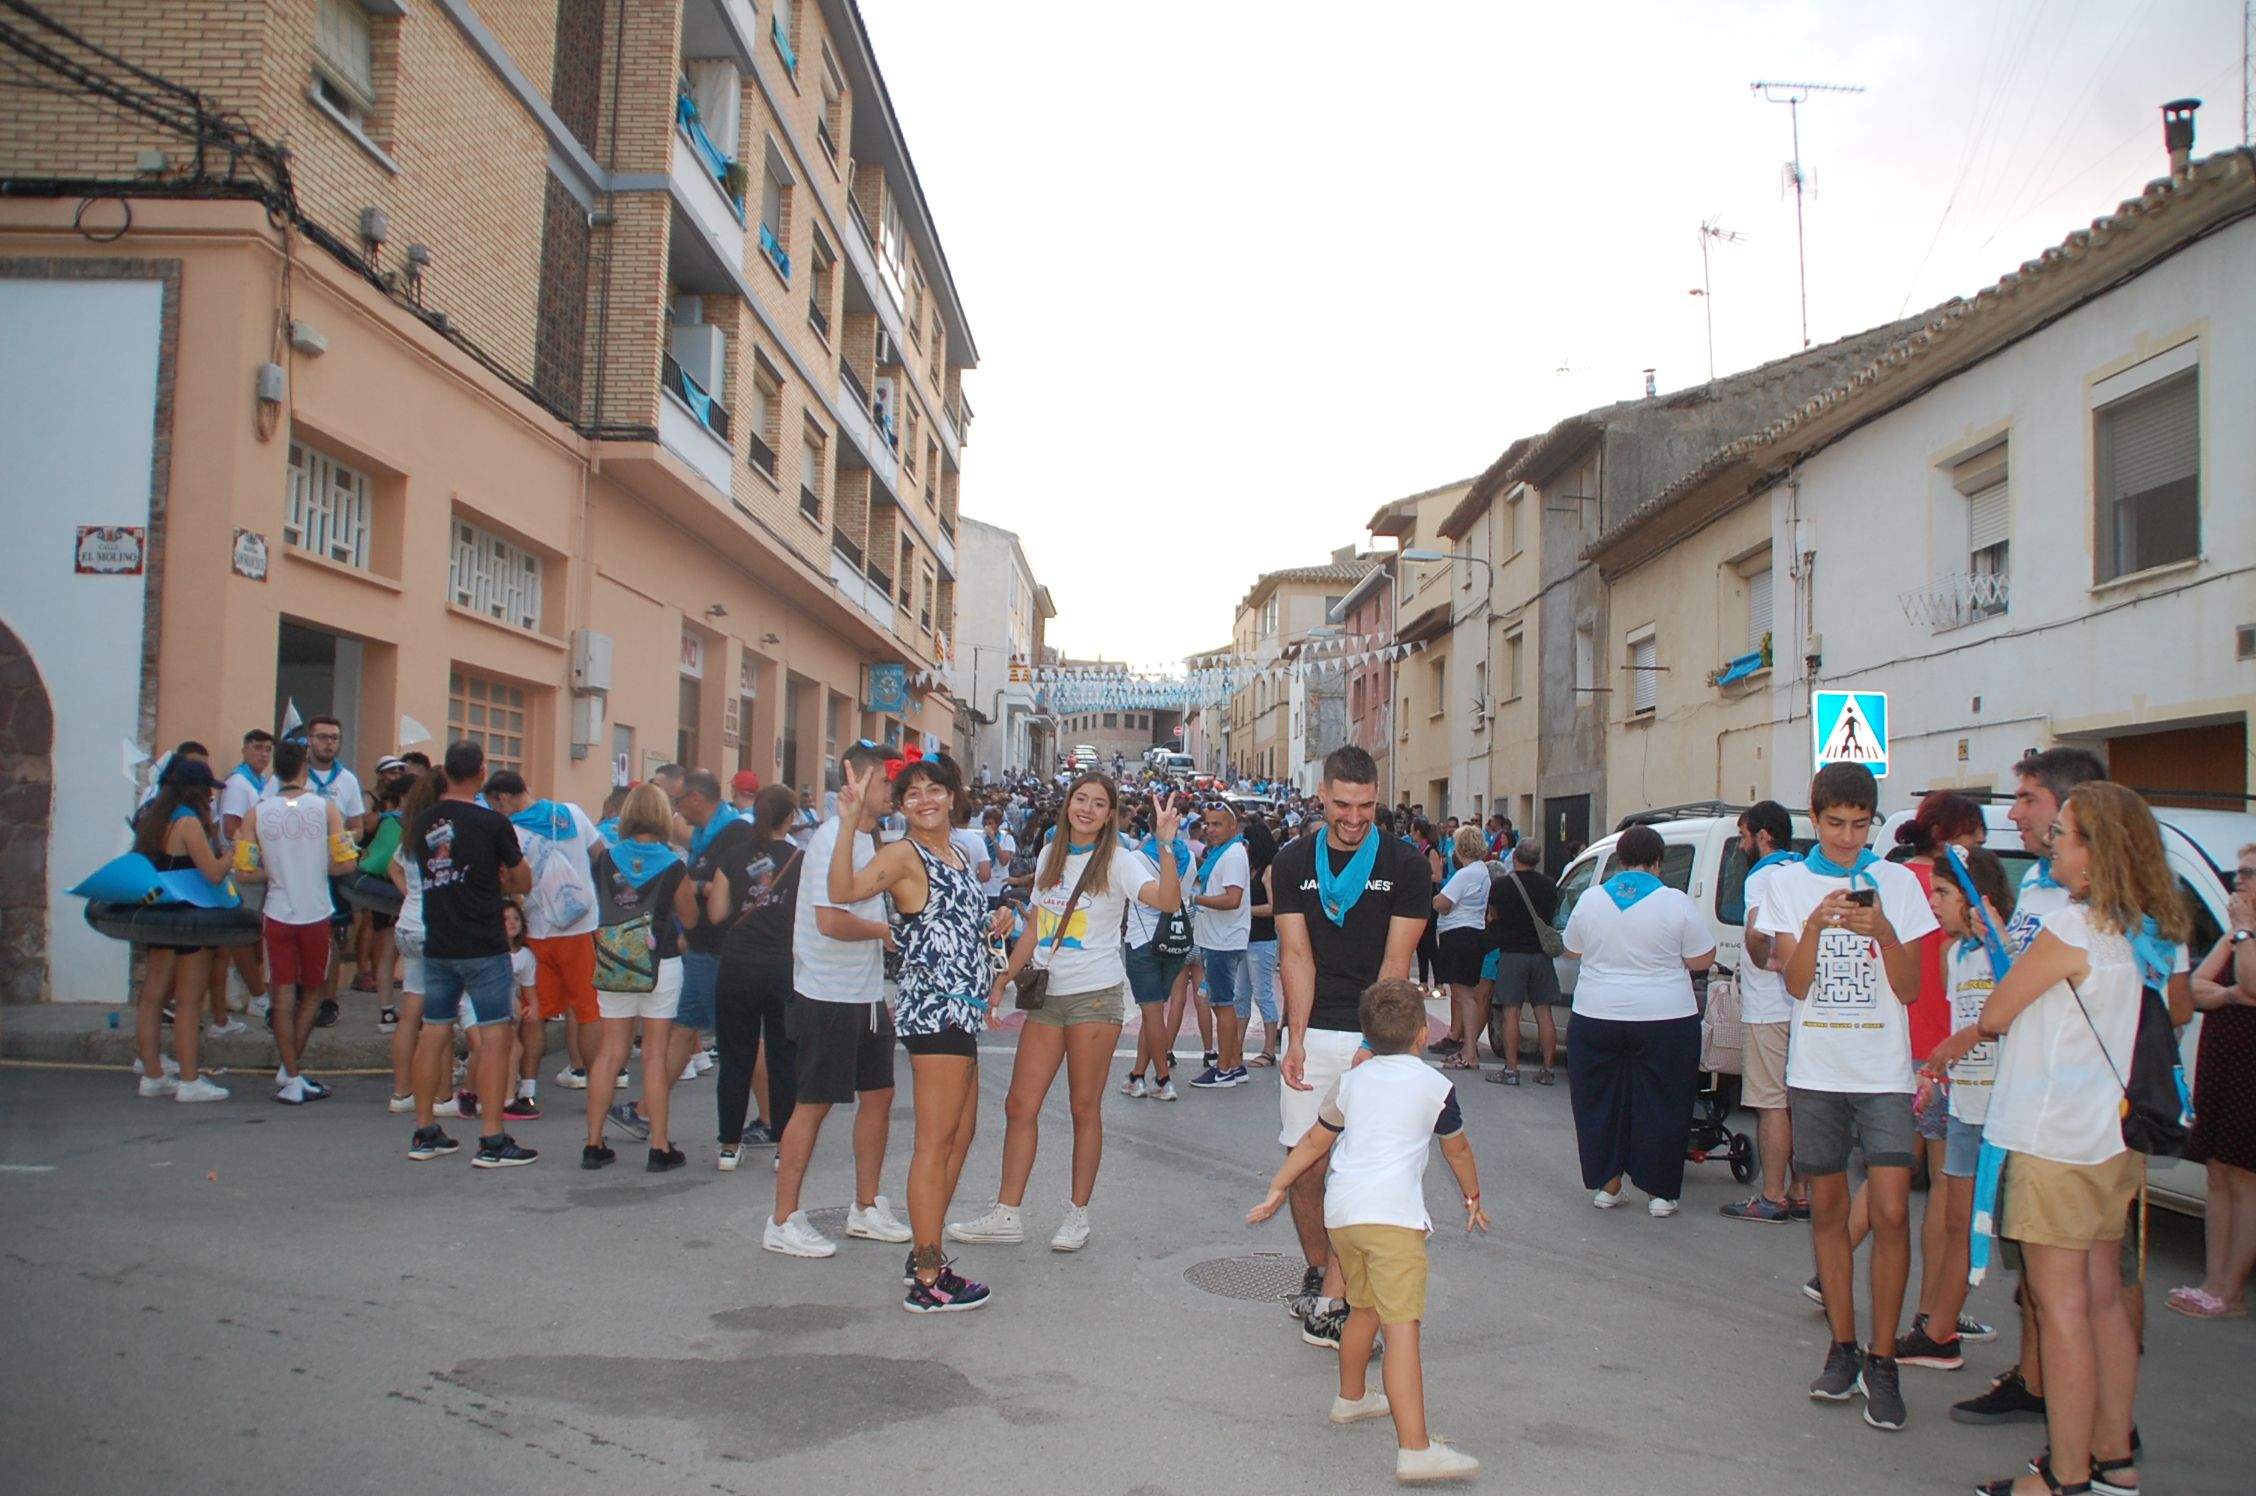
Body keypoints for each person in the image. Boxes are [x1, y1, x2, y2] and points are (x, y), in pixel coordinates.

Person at [1925, 783, 2190, 1496]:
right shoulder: (2138, 930)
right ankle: (2113, 1458)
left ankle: (2065, 1475)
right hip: (2110, 1141)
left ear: (2096, 851)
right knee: (2103, 1300)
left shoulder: (2072, 929)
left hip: (2053, 1140)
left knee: (2062, 1306)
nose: (2053, 843)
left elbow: (2001, 1012)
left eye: (2066, 833)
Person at [1757, 762, 1940, 1433]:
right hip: (1817, 1072)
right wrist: (1812, 927)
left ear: (1874, 822)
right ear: (1814, 818)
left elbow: (1913, 988)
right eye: (1835, 824)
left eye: (1860, 825)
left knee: (1892, 1211)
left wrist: (1884, 931)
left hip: (1883, 1073)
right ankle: (1844, 1346)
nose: (1846, 837)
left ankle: (1884, 1361)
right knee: (1829, 1210)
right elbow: (1798, 986)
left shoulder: (1896, 881)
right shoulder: (1785, 882)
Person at [1247, 978, 1486, 1485]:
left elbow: (1314, 1142)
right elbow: (1457, 1150)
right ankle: (1416, 1449)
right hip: (1393, 1221)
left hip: (1344, 1217)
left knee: (1365, 1309)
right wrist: (1472, 1196)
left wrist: (1277, 1187)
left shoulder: (1352, 1083)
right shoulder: (1434, 1088)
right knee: (1403, 1331)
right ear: (1423, 1034)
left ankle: (1352, 1397)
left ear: (1367, 1037)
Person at [952, 777, 1183, 1252]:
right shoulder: (1049, 855)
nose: (1088, 809)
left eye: (1100, 804)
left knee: (1084, 1109)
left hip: (1094, 997)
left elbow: (1168, 901)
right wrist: (1003, 979)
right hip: (1047, 996)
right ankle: (1006, 1213)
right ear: (1068, 805)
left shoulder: (1120, 860)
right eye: (1081, 799)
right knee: (1020, 1105)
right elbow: (1036, 926)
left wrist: (1165, 846)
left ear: (1110, 814)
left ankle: (1077, 1215)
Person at [1954, 745, 2107, 1428]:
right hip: (2029, 1109)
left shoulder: (2088, 910)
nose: (2011, 814)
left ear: (2072, 812)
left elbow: (2005, 1004)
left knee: (2089, 1296)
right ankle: (2039, 1383)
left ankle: (2096, 1439)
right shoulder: (2046, 891)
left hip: (2075, 1127)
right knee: (2044, 1291)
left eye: (2029, 800)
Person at [824, 752, 1000, 1312]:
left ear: (954, 794)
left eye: (934, 790)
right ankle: (928, 1277)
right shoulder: (903, 854)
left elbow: (951, 921)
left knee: (960, 1135)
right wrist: (850, 821)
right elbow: (844, 891)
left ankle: (927, 1247)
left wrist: (999, 917)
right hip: (937, 1012)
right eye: (912, 794)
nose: (925, 800)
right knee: (933, 1144)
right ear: (901, 807)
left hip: (963, 1011)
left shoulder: (959, 851)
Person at [1271, 745, 1433, 1349]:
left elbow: (1397, 963)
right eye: (1342, 804)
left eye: (1366, 805)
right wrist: (1295, 1036)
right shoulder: (1290, 862)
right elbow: (1296, 954)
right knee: (1306, 1164)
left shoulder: (1407, 864)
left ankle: (1347, 1298)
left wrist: (1375, 1042)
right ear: (1322, 795)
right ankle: (1319, 1272)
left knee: (1366, 1171)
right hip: (1316, 1028)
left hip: (1380, 1034)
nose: (1355, 817)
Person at [765, 741, 913, 1261]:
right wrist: (885, 931)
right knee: (813, 1105)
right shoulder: (834, 838)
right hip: (826, 993)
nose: (897, 792)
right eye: (890, 782)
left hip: (866, 992)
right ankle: (782, 1219)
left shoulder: (871, 839)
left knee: (880, 1096)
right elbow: (830, 921)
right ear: (861, 781)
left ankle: (866, 1207)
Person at [1560, 825, 1717, 1217]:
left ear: (1620, 860)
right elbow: (1703, 958)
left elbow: (1571, 948)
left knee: (1598, 1099)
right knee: (1664, 1101)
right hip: (1665, 1017)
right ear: (1658, 863)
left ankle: (1608, 1185)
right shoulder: (1675, 902)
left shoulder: (1592, 899)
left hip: (1596, 1014)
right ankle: (1660, 1192)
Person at [1905, 844, 2016, 1371]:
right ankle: (1940, 1332)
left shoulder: (2007, 950)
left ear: (1976, 898)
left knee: (2007, 1233)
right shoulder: (1955, 956)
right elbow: (1956, 1028)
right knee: (1956, 1222)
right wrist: (1939, 1077)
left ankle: (1944, 1327)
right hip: (1964, 1109)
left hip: (2006, 1112)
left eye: (1944, 894)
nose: (1934, 905)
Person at [403, 740, 535, 1168]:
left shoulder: (421, 822)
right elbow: (522, 879)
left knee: (434, 1030)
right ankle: (492, 1138)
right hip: (482, 942)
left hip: (437, 938)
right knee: (496, 1037)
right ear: (480, 773)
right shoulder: (491, 822)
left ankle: (425, 1131)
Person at [580, 782, 698, 1171]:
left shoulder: (605, 859)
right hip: (659, 963)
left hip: (613, 961)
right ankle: (659, 1147)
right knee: (654, 1054)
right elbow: (691, 918)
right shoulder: (673, 864)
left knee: (611, 1052)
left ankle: (594, 1143)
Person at [240, 738, 358, 1105]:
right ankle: (292, 1072)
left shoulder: (256, 813)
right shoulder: (326, 809)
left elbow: (244, 872)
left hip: (277, 912)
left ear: (275, 770)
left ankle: (289, 1071)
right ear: (305, 768)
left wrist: (276, 872)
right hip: (316, 912)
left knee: (282, 994)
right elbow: (347, 863)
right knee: (313, 993)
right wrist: (316, 864)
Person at [485, 770, 602, 1120]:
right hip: (581, 925)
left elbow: (507, 880)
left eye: (494, 804)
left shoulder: (508, 831)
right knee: (588, 1010)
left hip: (535, 929)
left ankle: (528, 1089)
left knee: (533, 1011)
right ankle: (600, 1086)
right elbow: (599, 853)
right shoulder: (572, 812)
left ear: (503, 798)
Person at [2169, 844, 2256, 1318]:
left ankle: (2231, 1289)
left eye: (2246, 873)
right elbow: (2196, 988)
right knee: (2219, 1172)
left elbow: (2255, 981)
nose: (2237, 882)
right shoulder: (2236, 935)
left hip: (2250, 1069)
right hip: (2223, 1060)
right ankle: (2213, 1279)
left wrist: (2244, 932)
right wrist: (2229, 994)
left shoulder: (2243, 933)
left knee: (2245, 1178)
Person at [711, 785, 807, 1168]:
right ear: (791, 817)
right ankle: (785, 1146)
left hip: (736, 967)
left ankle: (729, 1145)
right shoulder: (801, 860)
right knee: (784, 1058)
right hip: (783, 968)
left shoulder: (732, 856)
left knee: (736, 1056)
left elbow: (718, 912)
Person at [1720, 802, 1806, 1219]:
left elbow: (1758, 932)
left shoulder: (1763, 876)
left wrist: (1762, 958)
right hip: (1805, 1007)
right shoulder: (1804, 871)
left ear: (1764, 835)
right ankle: (1801, 1190)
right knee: (1800, 1101)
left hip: (1769, 1007)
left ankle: (1772, 1197)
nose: (1741, 845)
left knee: (1770, 1102)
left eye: (1743, 835)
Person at [130, 758, 233, 1102]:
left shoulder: (152, 819)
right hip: (190, 919)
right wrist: (233, 852)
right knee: (189, 1001)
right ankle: (190, 1080)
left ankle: (152, 1074)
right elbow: (214, 873)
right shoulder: (188, 823)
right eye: (208, 789)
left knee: (152, 996)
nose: (211, 796)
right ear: (196, 790)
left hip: (160, 914)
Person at [1122, 816, 1195, 1101]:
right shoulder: (1188, 856)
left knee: (1152, 1012)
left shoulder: (1136, 858)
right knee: (1152, 1013)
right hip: (1175, 942)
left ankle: (1164, 1080)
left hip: (1144, 942)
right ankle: (1137, 1075)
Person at [384, 766, 441, 1114]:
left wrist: (410, 895)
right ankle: (439, 1094)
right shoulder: (443, 831)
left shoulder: (411, 831)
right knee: (439, 1017)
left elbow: (393, 867)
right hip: (435, 927)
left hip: (407, 925)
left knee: (410, 1013)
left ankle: (401, 1091)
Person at [1485, 838, 1563, 1088]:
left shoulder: (1501, 886)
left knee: (1510, 1012)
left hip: (1511, 953)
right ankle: (1548, 1070)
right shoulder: (1549, 885)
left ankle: (1511, 1070)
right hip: (1541, 955)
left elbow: (1493, 916)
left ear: (1515, 856)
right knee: (1544, 1012)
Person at [1190, 800, 1254, 1088]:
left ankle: (1224, 1067)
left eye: (1217, 824)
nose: (1210, 829)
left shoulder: (1232, 856)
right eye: (1207, 823)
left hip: (1223, 942)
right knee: (1220, 1003)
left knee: (1222, 1005)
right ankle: (1236, 1064)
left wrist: (1195, 899)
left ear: (1232, 826)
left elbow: (1232, 899)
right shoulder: (1224, 853)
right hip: (1217, 939)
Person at [1431, 827, 1494, 1073]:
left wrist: (1437, 901)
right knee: (1463, 993)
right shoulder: (1482, 872)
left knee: (1463, 995)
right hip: (1471, 933)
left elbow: (1443, 902)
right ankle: (1468, 1048)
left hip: (1459, 934)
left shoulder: (1466, 874)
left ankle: (1469, 1050)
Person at [1243, 812, 1284, 1066]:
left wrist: (1244, 909)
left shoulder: (1268, 870)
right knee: (1240, 995)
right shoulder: (1251, 868)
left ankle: (1269, 1049)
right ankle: (1234, 1047)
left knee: (1263, 994)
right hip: (1246, 938)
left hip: (1262, 939)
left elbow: (1274, 906)